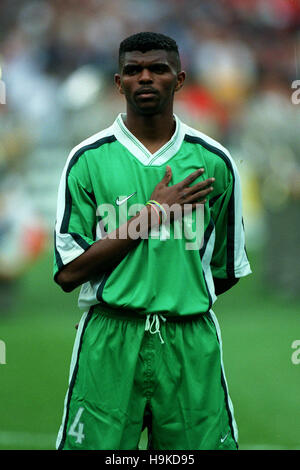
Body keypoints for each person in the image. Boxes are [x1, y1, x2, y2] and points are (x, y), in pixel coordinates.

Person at [54, 32, 251, 451]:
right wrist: (154, 215)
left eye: (157, 69)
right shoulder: (88, 159)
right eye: (133, 71)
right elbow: (69, 272)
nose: (145, 78)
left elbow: (224, 271)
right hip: (109, 338)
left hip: (188, 341)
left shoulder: (212, 160)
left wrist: (164, 295)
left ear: (179, 79)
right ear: (118, 82)